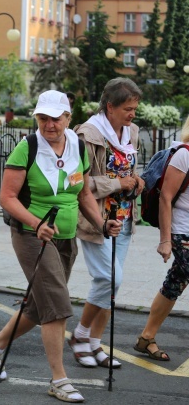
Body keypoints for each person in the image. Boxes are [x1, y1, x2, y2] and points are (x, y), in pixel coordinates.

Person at [0, 90, 121, 403]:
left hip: (66, 236)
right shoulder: (26, 147)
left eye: (56, 118)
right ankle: (59, 379)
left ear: (68, 118)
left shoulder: (78, 147)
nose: (49, 124)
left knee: (40, 307)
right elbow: (7, 199)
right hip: (32, 235)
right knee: (56, 306)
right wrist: (36, 224)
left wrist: (101, 224)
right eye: (43, 118)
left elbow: (83, 194)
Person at [69, 78, 143, 369]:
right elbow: (77, 182)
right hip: (96, 219)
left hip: (123, 218)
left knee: (111, 285)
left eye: (135, 108)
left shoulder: (131, 132)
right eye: (128, 108)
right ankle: (80, 335)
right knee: (110, 278)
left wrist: (136, 181)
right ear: (109, 106)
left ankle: (95, 344)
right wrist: (116, 182)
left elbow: (130, 169)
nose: (133, 114)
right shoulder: (86, 135)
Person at [134, 116, 189, 362]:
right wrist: (165, 240)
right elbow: (166, 198)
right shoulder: (184, 155)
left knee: (175, 283)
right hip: (182, 231)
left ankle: (146, 338)